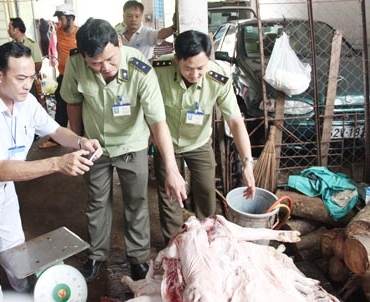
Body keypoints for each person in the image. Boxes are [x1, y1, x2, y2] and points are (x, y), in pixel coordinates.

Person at [0, 41, 102, 302]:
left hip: (5, 191)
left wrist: (80, 141)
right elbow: (0, 169)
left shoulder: (25, 101)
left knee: (16, 251)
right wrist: (57, 164)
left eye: (32, 77)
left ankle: (24, 294)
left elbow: (54, 130)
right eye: (20, 78)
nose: (28, 84)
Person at [60, 18, 187, 282]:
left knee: (136, 201)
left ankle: (138, 258)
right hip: (95, 146)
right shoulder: (75, 64)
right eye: (95, 63)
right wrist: (78, 139)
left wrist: (172, 169)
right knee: (96, 201)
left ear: (119, 42)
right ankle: (97, 254)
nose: (104, 68)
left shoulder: (141, 68)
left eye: (110, 60)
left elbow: (157, 122)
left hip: (132, 144)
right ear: (83, 57)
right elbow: (73, 102)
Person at [152, 30, 256, 244]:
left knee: (206, 192)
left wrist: (247, 162)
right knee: (170, 196)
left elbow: (235, 121)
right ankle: (175, 246)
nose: (195, 74)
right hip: (166, 144)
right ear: (176, 59)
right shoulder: (157, 70)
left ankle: (206, 240)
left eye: (201, 67)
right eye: (188, 68)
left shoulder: (218, 77)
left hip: (199, 142)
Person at [39, 3, 79, 149]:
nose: (59, 22)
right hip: (63, 76)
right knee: (61, 107)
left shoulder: (80, 34)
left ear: (70, 18)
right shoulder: (58, 32)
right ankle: (56, 139)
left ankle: (82, 137)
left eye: (62, 18)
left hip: (78, 78)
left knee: (79, 108)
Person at [8, 17, 43, 99]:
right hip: (15, 83)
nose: (8, 30)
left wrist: (29, 76)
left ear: (16, 29)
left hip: (28, 82)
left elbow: (38, 63)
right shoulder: (11, 46)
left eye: (10, 28)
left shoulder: (31, 44)